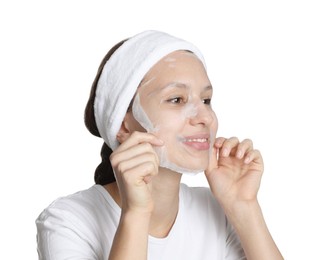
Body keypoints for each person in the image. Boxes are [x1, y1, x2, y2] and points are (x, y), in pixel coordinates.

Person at [36, 30, 283, 260]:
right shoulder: (68, 221)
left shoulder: (217, 210)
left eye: (206, 100)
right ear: (123, 125)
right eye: (177, 99)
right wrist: (136, 213)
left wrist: (244, 206)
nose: (206, 117)